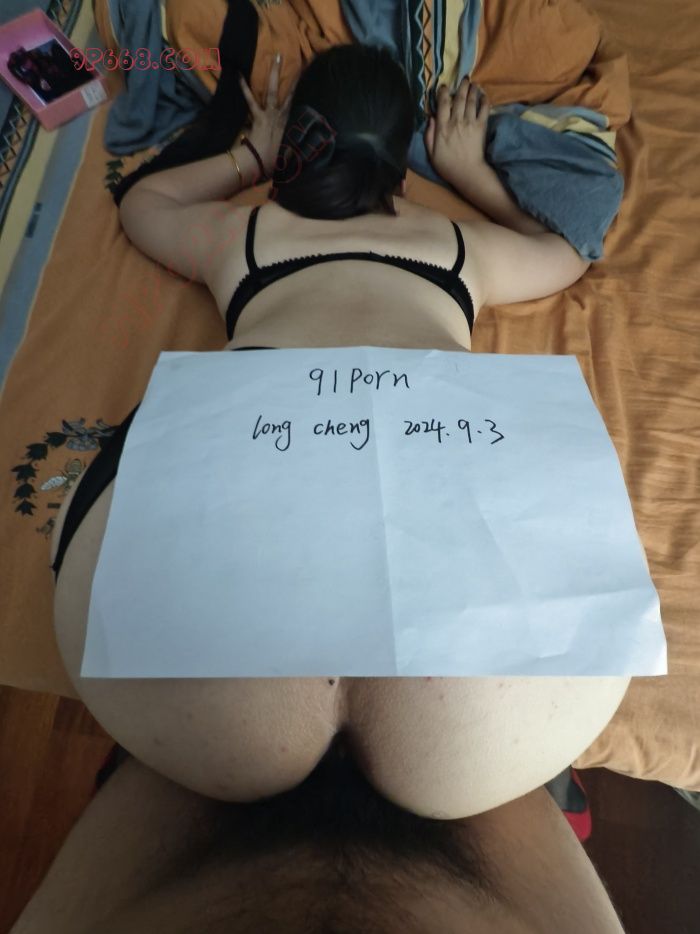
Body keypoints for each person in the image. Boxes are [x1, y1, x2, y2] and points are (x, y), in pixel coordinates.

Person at [32, 45, 629, 932]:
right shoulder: (454, 244)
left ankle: (171, 758)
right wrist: (470, 174)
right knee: (486, 751)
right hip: (457, 498)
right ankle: (521, 775)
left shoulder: (245, 235)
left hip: (235, 477)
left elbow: (143, 205)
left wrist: (249, 156)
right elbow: (565, 254)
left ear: (295, 147)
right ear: (404, 163)